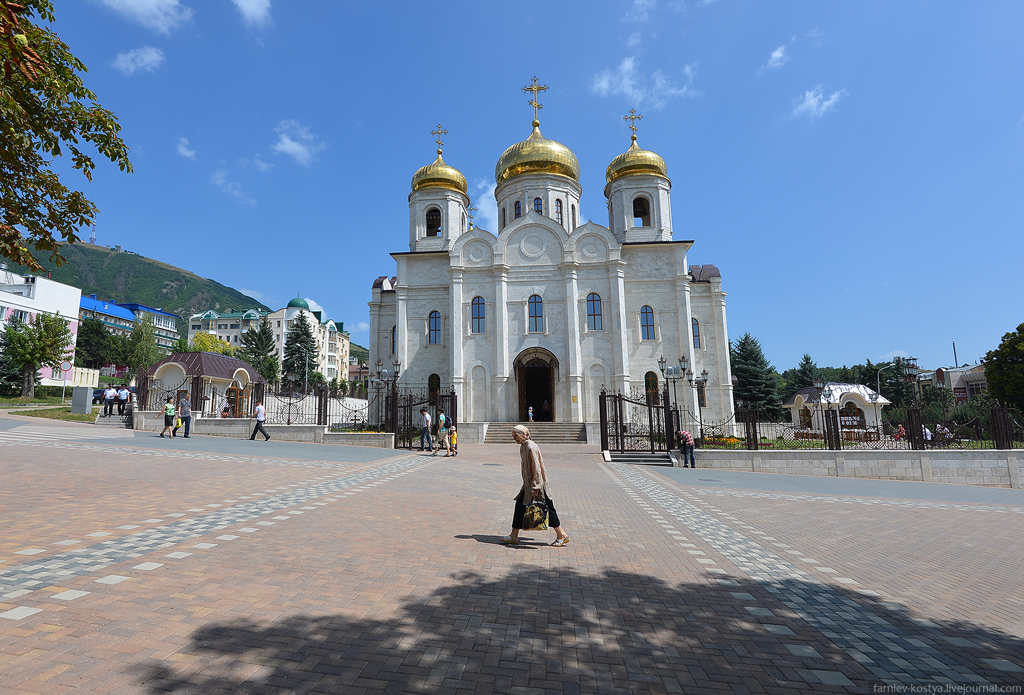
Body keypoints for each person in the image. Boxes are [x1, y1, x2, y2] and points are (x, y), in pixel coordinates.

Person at [501, 425, 570, 547]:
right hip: (528, 484)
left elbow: (536, 467)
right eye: (513, 436)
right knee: (520, 506)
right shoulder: (523, 447)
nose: (514, 439)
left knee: (547, 508)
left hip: (538, 485)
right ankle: (513, 536)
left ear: (524, 435)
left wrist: (536, 486)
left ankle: (562, 534)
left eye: (516, 436)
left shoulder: (530, 446)